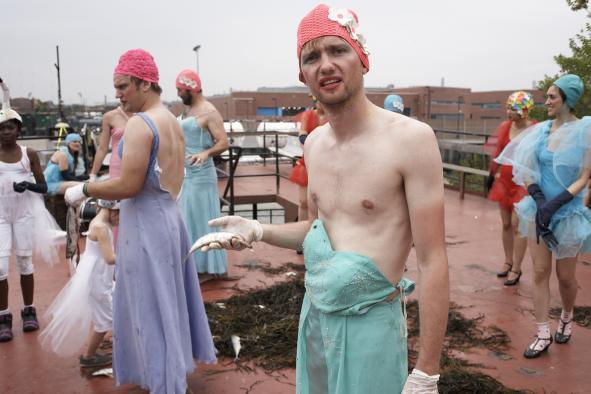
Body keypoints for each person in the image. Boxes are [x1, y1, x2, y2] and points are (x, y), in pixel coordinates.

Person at [194, 5, 449, 393]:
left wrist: (427, 370)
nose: (325, 65)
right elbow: (319, 230)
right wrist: (258, 229)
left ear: (363, 60)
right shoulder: (313, 144)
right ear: (304, 77)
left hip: (372, 333)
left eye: (338, 50)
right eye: (312, 57)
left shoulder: (410, 140)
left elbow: (432, 260)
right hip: (314, 321)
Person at [64, 49, 216, 393]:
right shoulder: (172, 122)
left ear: (144, 83)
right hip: (169, 217)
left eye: (122, 86)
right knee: (168, 300)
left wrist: (83, 187)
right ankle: (170, 373)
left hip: (146, 223)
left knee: (149, 304)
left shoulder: (140, 124)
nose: (118, 94)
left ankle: (164, 381)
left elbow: (129, 185)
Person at [496, 74, 591, 359]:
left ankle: (565, 315)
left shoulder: (585, 129)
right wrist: (539, 201)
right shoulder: (541, 131)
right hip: (538, 212)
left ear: (568, 100)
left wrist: (556, 205)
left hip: (567, 214)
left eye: (552, 97)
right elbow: (526, 170)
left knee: (565, 279)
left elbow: (585, 176)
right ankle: (542, 332)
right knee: (539, 273)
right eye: (547, 96)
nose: (546, 101)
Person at [40, 199, 119, 369]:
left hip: (99, 276)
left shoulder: (100, 221)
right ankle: (88, 356)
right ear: (114, 211)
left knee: (105, 315)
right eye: (121, 216)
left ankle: (97, 346)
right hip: (98, 278)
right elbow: (110, 258)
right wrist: (131, 256)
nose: (120, 221)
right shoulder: (102, 228)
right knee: (107, 319)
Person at [175, 69, 232, 281]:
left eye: (181, 90)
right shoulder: (189, 110)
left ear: (191, 88)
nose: (179, 94)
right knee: (188, 220)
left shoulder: (209, 111)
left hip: (202, 176)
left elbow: (223, 142)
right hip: (186, 175)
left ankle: (210, 268)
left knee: (202, 219)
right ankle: (196, 266)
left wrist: (205, 153)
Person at [0, 95, 47, 342]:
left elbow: (44, 187)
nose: (5, 132)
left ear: (18, 129)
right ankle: (3, 315)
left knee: (25, 262)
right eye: (1, 128)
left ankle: (29, 310)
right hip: (0, 215)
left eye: (9, 127)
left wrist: (27, 184)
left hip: (24, 213)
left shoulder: (29, 154)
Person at [486, 91, 535, 286]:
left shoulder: (535, 129)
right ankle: (508, 261)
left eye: (513, 109)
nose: (509, 112)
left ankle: (517, 267)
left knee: (518, 225)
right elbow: (498, 151)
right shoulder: (505, 126)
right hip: (505, 181)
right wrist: (491, 174)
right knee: (506, 224)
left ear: (524, 111)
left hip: (523, 183)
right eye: (508, 107)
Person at [289, 96, 327, 223]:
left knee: (323, 202)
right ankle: (302, 227)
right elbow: (302, 132)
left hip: (327, 162)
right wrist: (310, 141)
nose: (320, 104)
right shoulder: (308, 115)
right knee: (303, 202)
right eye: (317, 101)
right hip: (308, 162)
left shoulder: (332, 116)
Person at [90, 106, 132, 180]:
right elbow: (102, 148)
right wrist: (93, 175)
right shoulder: (109, 116)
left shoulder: (144, 114)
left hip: (140, 164)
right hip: (117, 165)